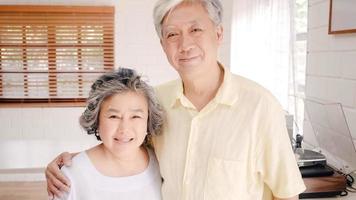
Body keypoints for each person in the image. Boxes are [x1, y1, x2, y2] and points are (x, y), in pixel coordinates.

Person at [46, 0, 306, 199]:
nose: (185, 44)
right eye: (172, 34)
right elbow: (125, 144)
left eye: (195, 29)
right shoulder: (156, 101)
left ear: (218, 34)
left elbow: (286, 192)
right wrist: (72, 165)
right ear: (163, 44)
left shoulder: (260, 106)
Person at [52, 68, 164, 200]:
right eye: (113, 116)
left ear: (148, 119)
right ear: (96, 119)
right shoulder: (71, 174)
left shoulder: (161, 163)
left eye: (135, 116)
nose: (124, 128)